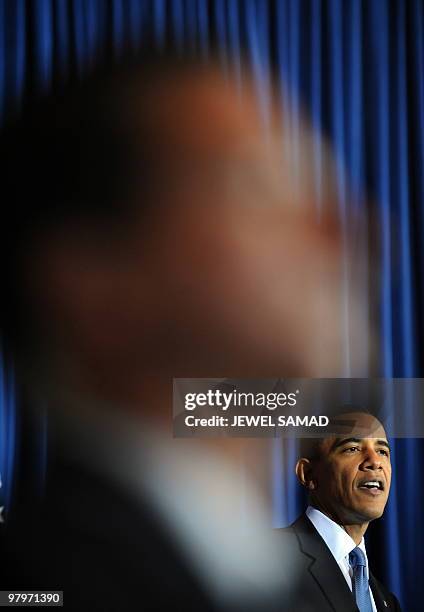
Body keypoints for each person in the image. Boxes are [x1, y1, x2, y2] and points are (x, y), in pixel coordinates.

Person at [0, 50, 368, 610]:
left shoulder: (290, 586)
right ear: (94, 282)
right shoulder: (43, 587)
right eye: (258, 189)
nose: (347, 232)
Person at [279, 409, 402, 611]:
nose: (375, 462)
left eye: (382, 451)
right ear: (308, 474)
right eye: (352, 448)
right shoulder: (271, 563)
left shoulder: (388, 602)